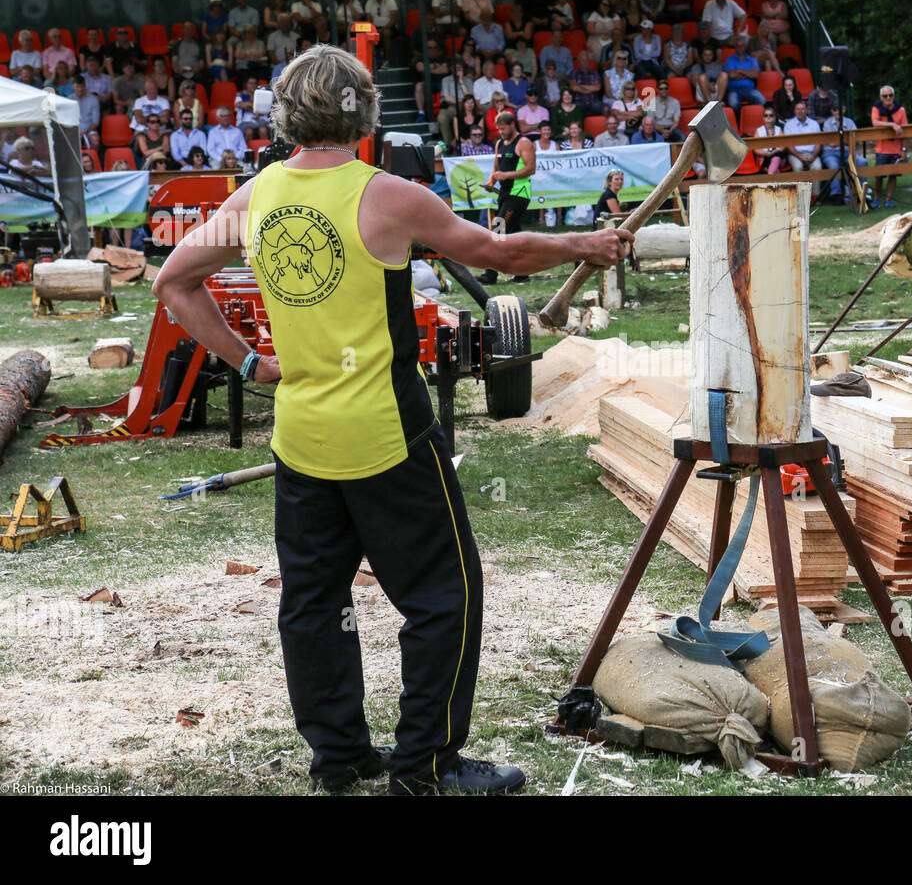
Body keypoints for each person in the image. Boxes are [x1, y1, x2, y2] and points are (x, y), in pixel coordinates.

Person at [153, 43, 630, 795]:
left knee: (315, 606)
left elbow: (173, 280)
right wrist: (587, 243)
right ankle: (426, 766)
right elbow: (497, 255)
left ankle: (338, 758)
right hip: (386, 436)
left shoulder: (255, 197)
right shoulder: (389, 196)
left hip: (302, 439)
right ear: (366, 113)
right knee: (447, 596)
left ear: (285, 116)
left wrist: (249, 363)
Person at [477, 111, 537, 285]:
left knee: (498, 227)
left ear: (512, 125)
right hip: (505, 193)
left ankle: (490, 275)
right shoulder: (499, 144)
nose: (501, 133)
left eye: (503, 129)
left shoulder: (523, 142)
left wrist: (507, 175)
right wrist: (491, 182)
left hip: (519, 193)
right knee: (513, 233)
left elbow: (531, 169)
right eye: (499, 130)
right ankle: (522, 273)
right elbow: (496, 169)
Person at [821, 104, 869, 202]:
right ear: (832, 111)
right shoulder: (827, 123)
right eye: (835, 109)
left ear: (844, 110)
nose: (837, 112)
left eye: (840, 109)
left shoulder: (850, 122)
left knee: (862, 162)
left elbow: (856, 141)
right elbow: (830, 143)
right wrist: (846, 141)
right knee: (833, 165)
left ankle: (864, 191)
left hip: (849, 151)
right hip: (831, 153)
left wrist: (838, 142)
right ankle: (836, 194)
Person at [871, 85, 907, 208]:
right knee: (879, 176)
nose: (888, 98)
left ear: (893, 96)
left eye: (890, 95)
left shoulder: (900, 109)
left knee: (893, 175)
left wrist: (904, 150)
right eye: (885, 96)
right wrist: (892, 124)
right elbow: (875, 123)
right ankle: (876, 199)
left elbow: (905, 131)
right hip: (882, 148)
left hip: (896, 148)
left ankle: (888, 200)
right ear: (881, 97)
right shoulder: (876, 107)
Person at [722, 36, 764, 111]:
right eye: (738, 46)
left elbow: (756, 75)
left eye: (742, 46)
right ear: (735, 47)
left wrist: (740, 71)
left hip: (749, 89)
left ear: (745, 46)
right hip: (734, 90)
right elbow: (731, 75)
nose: (740, 48)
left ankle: (751, 116)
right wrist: (749, 74)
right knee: (733, 104)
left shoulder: (752, 60)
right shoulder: (730, 59)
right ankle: (741, 119)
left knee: (762, 100)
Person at [437, 62, 476, 142]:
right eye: (456, 68)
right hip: (451, 107)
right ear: (452, 69)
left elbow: (470, 98)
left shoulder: (468, 81)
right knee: (442, 117)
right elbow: (447, 98)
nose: (458, 70)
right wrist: (464, 101)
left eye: (460, 68)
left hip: (467, 107)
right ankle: (448, 144)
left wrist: (461, 81)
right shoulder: (446, 80)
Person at [784, 101, 822, 171]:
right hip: (795, 154)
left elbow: (818, 143)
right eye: (797, 109)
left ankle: (812, 183)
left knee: (817, 167)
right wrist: (799, 156)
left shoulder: (814, 124)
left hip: (811, 153)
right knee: (798, 167)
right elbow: (789, 145)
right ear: (794, 111)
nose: (800, 111)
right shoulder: (788, 125)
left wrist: (813, 155)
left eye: (802, 109)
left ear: (807, 111)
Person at [753, 104, 785, 174]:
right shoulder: (758, 130)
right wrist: (765, 153)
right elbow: (756, 149)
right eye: (766, 115)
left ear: (774, 117)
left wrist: (774, 152)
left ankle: (770, 174)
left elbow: (783, 147)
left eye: (771, 115)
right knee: (775, 168)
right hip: (764, 158)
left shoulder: (778, 129)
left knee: (776, 157)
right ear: (763, 118)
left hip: (777, 156)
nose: (768, 117)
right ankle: (772, 174)